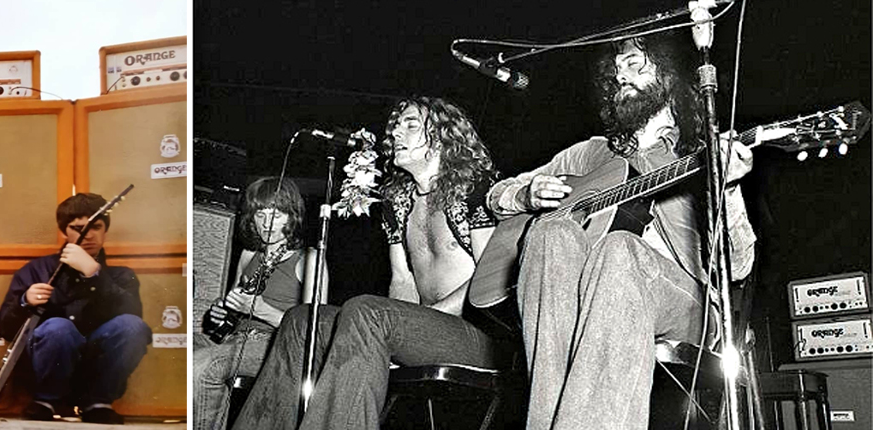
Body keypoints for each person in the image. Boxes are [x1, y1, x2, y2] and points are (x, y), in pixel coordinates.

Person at [482, 32, 757, 430]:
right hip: (584, 295)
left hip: (686, 302)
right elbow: (495, 194)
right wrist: (524, 194)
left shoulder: (698, 151)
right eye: (616, 71)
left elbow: (740, 264)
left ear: (669, 74)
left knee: (620, 249)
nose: (621, 77)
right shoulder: (591, 152)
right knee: (550, 233)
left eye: (634, 65)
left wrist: (727, 187)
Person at [233, 97, 519, 429]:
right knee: (302, 319)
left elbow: (491, 278)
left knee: (367, 311)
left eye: (411, 124)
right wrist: (400, 332)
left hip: (478, 337)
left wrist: (423, 318)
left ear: (442, 135)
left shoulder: (473, 187)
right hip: (426, 326)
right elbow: (401, 280)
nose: (397, 132)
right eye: (396, 126)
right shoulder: (397, 202)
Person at [0, 193, 152, 424]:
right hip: (46, 374)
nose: (87, 235)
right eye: (78, 228)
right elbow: (5, 329)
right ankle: (45, 402)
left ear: (105, 230)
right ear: (63, 232)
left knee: (131, 326)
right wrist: (25, 302)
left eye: (95, 227)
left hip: (96, 374)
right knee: (59, 328)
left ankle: (99, 403)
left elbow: (136, 327)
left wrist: (94, 274)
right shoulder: (35, 270)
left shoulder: (121, 275)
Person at [193, 177, 325, 430]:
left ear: (291, 217)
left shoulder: (309, 259)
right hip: (235, 340)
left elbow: (313, 330)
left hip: (276, 346)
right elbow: (231, 311)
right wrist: (221, 312)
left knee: (203, 365)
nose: (266, 224)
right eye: (260, 215)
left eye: (276, 215)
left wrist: (260, 309)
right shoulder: (249, 254)